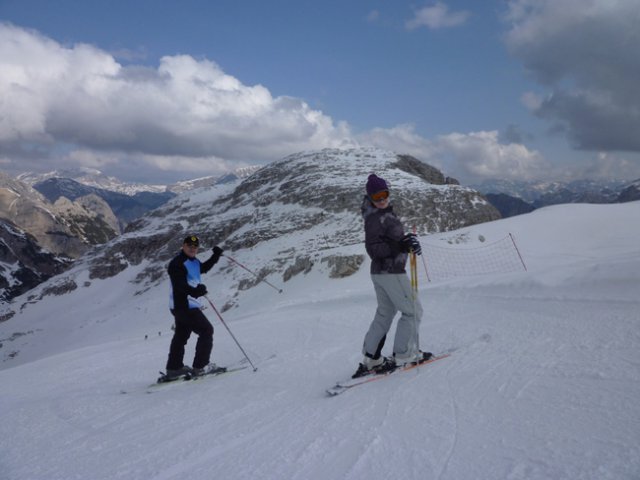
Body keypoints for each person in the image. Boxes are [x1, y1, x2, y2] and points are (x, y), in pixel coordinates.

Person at [353, 174, 432, 378]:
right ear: (370, 198)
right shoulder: (375, 218)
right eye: (376, 197)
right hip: (391, 272)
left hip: (381, 273)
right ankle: (405, 354)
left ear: (388, 193)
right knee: (413, 311)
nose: (382, 200)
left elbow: (390, 240)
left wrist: (407, 241)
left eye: (384, 194)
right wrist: (400, 246)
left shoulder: (378, 214)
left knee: (385, 313)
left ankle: (372, 358)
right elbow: (374, 249)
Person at [164, 234, 224, 379]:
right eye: (189, 246)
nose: (192, 248)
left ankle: (174, 368)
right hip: (184, 305)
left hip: (183, 306)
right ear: (183, 246)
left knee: (181, 335)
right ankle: (201, 366)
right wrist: (196, 291)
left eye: (195, 246)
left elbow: (203, 268)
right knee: (206, 330)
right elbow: (179, 285)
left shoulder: (194, 262)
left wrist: (215, 256)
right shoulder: (177, 263)